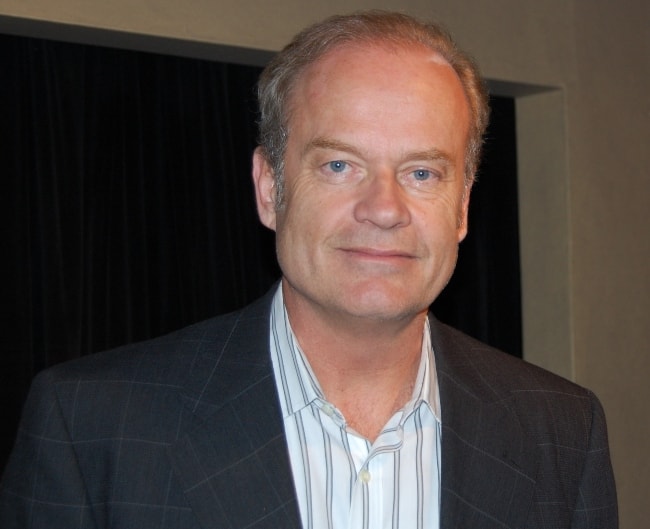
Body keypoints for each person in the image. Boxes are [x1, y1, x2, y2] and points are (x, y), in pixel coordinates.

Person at [0, 10, 617, 529]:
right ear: (270, 188)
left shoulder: (560, 433)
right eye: (339, 165)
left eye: (422, 172)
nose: (384, 209)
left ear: (461, 207)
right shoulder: (91, 429)